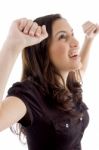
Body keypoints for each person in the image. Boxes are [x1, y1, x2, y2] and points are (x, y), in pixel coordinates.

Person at [0, 14, 99, 150]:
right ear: (43, 51)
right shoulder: (30, 96)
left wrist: (89, 39)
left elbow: (81, 70)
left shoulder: (68, 84)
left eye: (72, 34)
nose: (76, 42)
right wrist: (12, 45)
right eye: (63, 37)